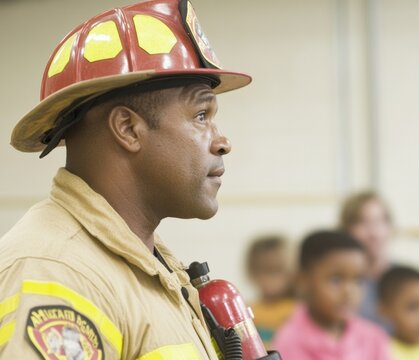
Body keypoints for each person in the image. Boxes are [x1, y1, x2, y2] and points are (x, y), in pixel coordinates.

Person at [0, 0, 251, 358]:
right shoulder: (58, 274)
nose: (222, 142)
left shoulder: (151, 266)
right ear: (128, 129)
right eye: (200, 115)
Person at [273, 230, 391, 360]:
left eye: (358, 280)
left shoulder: (374, 338)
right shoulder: (290, 341)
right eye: (336, 280)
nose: (349, 291)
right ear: (303, 281)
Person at [339, 191, 393, 328]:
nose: (373, 232)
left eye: (380, 221)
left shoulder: (403, 278)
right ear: (346, 229)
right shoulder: (340, 282)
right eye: (363, 223)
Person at [246, 235, 296, 348]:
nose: (269, 279)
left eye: (277, 270)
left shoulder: (297, 310)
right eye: (263, 270)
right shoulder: (247, 311)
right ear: (252, 272)